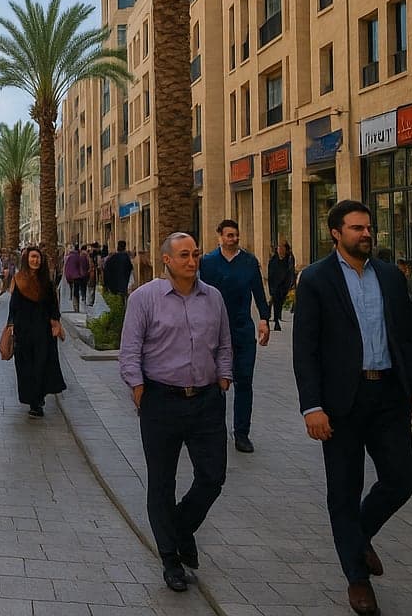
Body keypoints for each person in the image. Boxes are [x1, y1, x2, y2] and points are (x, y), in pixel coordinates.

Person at [293, 201, 412, 616]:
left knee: (401, 480)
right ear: (336, 233)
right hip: (340, 404)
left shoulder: (389, 276)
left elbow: (407, 337)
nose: (366, 233)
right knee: (344, 490)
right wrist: (311, 407)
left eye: (368, 227)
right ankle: (357, 578)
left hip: (388, 395)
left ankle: (358, 535)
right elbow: (306, 350)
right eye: (357, 228)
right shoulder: (316, 279)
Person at [118, 232, 232, 595]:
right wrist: (138, 389)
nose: (192, 261)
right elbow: (130, 349)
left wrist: (224, 377)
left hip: (205, 401)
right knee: (162, 482)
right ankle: (170, 558)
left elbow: (225, 342)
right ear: (166, 260)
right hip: (160, 401)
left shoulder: (212, 298)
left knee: (212, 477)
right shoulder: (144, 299)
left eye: (195, 254)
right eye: (184, 255)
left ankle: (182, 527)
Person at [198, 219, 271, 453]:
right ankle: (213, 430)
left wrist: (264, 320)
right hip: (213, 331)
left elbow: (259, 292)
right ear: (219, 236)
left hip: (241, 330)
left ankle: (242, 433)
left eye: (235, 235)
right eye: (229, 235)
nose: (233, 239)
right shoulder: (207, 263)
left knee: (244, 381)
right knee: (212, 383)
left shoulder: (249, 262)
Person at [6, 247, 66, 418]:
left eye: (38, 257)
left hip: (42, 332)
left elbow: (53, 305)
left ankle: (37, 401)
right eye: (32, 257)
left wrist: (55, 321)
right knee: (26, 367)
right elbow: (14, 306)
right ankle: (31, 398)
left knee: (41, 365)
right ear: (27, 259)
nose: (35, 260)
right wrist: (10, 325)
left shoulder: (46, 282)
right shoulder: (19, 280)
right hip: (23, 331)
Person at [268, 240, 296, 332]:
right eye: (278, 247)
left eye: (281, 247)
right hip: (275, 286)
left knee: (280, 303)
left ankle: (276, 316)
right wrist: (271, 288)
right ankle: (276, 322)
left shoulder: (289, 259)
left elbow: (291, 271)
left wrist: (291, 283)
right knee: (276, 302)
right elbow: (270, 274)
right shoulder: (273, 260)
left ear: (286, 249)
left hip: (285, 285)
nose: (279, 249)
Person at [63, 244, 91, 313]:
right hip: (76, 276)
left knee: (73, 289)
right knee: (76, 291)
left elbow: (66, 267)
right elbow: (81, 267)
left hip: (69, 276)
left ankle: (74, 303)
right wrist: (83, 275)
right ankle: (76, 306)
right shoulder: (79, 257)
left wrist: (66, 276)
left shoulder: (69, 257)